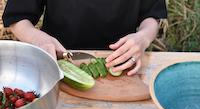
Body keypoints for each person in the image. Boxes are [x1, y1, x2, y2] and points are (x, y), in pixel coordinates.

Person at [2, 0, 167, 76]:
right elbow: (18, 18)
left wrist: (143, 38)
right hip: (58, 66)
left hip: (122, 66)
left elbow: (152, 15)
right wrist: (39, 40)